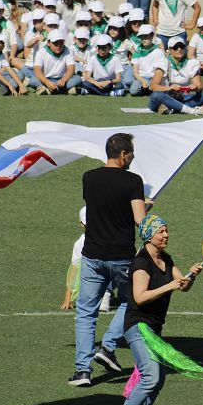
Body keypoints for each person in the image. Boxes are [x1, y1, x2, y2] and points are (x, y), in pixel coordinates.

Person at [109, 215, 203, 405]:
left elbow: (183, 285)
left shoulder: (165, 259)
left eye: (166, 230)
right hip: (138, 327)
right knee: (150, 377)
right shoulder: (141, 262)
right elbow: (140, 297)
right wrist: (168, 286)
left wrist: (191, 275)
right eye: (161, 231)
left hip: (153, 330)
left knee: (157, 380)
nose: (166, 235)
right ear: (149, 236)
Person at [70, 133, 149, 387]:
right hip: (122, 255)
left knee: (85, 313)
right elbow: (138, 220)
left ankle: (83, 370)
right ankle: (108, 346)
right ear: (123, 154)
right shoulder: (133, 181)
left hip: (92, 254)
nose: (133, 158)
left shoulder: (89, 178)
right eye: (132, 154)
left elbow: (102, 207)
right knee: (132, 301)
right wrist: (147, 209)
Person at [148, 37, 203, 115]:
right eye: (175, 47)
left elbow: (200, 86)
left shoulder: (191, 63)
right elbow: (153, 86)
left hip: (181, 97)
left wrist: (194, 87)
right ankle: (190, 110)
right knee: (156, 95)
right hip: (165, 96)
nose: (179, 49)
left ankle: (171, 108)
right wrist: (169, 88)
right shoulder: (163, 62)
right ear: (169, 50)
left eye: (181, 46)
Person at [32, 29, 80, 94]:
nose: (58, 45)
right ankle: (63, 90)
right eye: (55, 43)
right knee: (32, 80)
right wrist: (47, 82)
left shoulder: (68, 51)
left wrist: (63, 80)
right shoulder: (41, 52)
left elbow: (71, 69)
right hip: (46, 79)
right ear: (48, 43)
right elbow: (37, 69)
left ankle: (49, 90)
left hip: (62, 80)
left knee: (77, 79)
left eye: (61, 42)